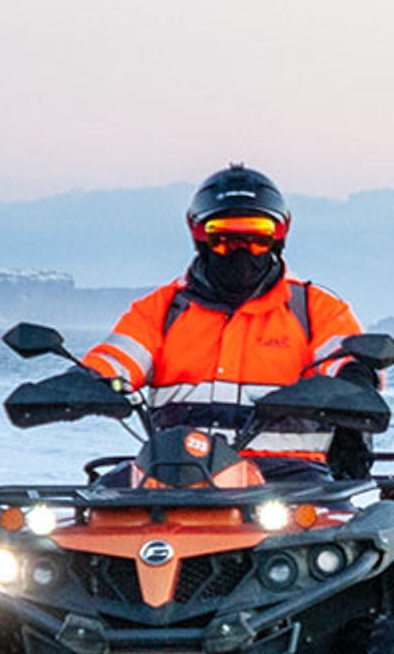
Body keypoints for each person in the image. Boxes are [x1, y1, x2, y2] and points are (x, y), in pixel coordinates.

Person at [80, 166, 374, 470]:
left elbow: (345, 354)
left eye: (257, 237)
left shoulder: (314, 309)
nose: (241, 250)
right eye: (224, 238)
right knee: (104, 499)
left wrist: (355, 377)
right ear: (199, 235)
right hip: (179, 476)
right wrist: (83, 382)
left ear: (278, 236)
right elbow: (117, 358)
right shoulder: (162, 309)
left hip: (291, 481)